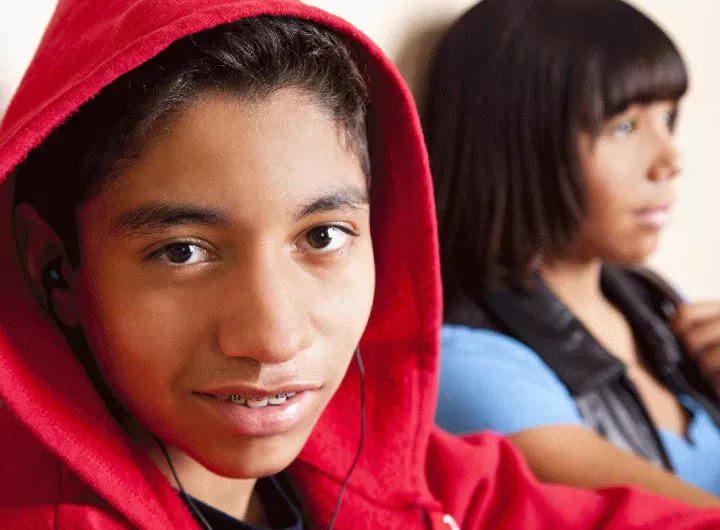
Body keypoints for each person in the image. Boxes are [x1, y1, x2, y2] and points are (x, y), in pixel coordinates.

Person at [3, 1, 720, 529]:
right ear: (55, 266)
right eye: (182, 251)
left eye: (322, 237)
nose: (274, 337)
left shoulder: (414, 475)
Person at [426, 0, 720, 506]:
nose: (671, 159)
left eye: (668, 117)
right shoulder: (469, 362)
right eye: (624, 126)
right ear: (519, 144)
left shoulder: (655, 305)